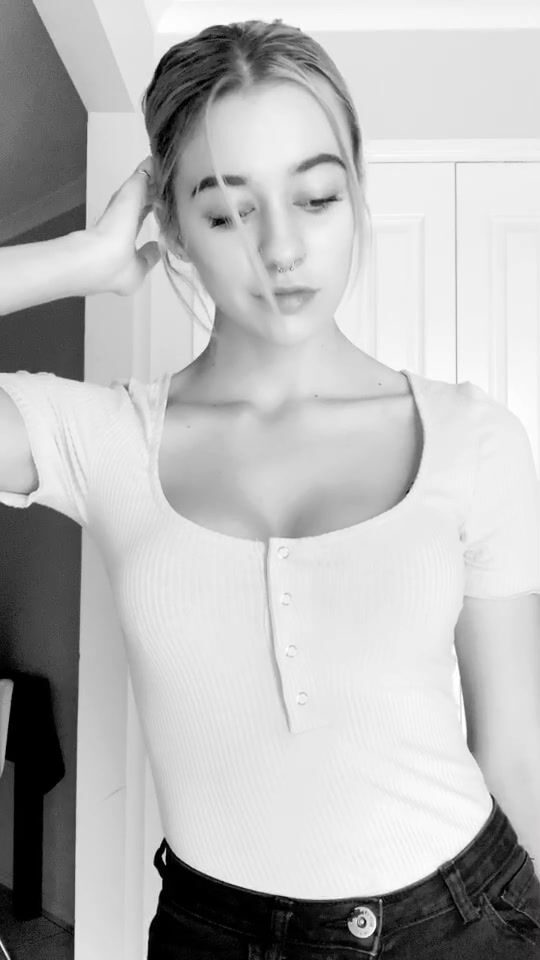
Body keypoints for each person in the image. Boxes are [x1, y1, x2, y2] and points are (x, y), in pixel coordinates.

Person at [1, 18, 540, 960]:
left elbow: (518, 752)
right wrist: (80, 260)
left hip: (467, 921)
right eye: (226, 213)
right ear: (172, 229)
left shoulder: (473, 439)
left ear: (356, 192)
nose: (281, 248)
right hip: (212, 936)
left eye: (317, 196)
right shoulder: (104, 439)